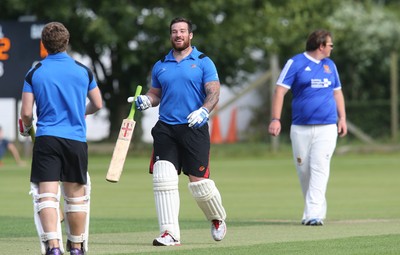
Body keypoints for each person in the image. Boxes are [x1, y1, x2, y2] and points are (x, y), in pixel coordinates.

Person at [128, 17, 227, 246]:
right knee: (163, 178)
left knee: (199, 185)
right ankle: (170, 233)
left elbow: (213, 93)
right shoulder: (161, 64)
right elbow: (156, 94)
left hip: (194, 127)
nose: (178, 35)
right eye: (174, 31)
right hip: (166, 128)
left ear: (190, 35)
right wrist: (146, 100)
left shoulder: (203, 62)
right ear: (170, 35)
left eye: (183, 31)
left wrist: (204, 111)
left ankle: (217, 218)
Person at [19, 22, 102, 255]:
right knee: (75, 198)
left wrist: (26, 128)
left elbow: (26, 113)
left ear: (43, 45)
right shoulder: (83, 70)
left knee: (46, 196)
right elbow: (97, 103)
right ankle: (76, 247)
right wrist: (80, 112)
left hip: (46, 138)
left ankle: (53, 247)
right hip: (75, 139)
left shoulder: (35, 72)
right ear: (67, 42)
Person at [268, 29, 347, 226]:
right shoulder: (295, 63)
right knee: (304, 171)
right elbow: (279, 91)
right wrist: (276, 119)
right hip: (300, 127)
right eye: (330, 44)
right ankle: (314, 210)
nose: (331, 48)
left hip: (327, 126)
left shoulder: (330, 66)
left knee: (320, 166)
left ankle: (313, 214)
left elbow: (337, 93)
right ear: (321, 45)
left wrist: (342, 117)